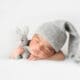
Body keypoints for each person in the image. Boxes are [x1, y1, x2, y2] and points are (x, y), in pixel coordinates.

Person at [10, 20, 80, 61]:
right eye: (37, 41)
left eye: (46, 49)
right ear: (33, 37)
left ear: (54, 52)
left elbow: (62, 56)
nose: (39, 48)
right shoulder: (25, 44)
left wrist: (41, 58)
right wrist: (16, 53)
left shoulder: (54, 54)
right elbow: (12, 56)